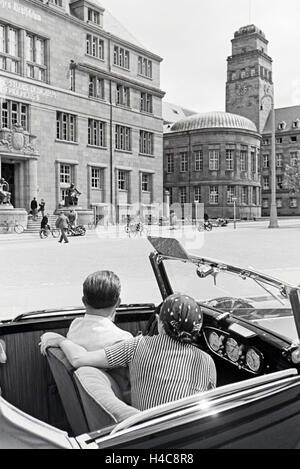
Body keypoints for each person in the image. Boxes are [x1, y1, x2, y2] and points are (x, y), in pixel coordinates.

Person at [40, 293, 217, 411]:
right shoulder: (208, 361)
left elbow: (79, 359)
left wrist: (61, 340)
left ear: (159, 322)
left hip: (145, 435)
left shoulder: (136, 345)